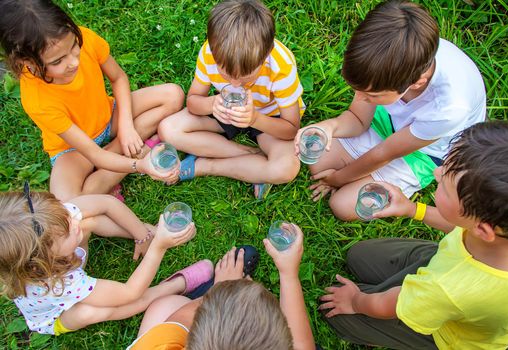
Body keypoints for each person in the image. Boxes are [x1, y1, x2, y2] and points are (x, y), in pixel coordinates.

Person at [318, 121, 508, 349]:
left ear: (482, 230)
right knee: (359, 256)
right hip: (443, 261)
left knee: (339, 314)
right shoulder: (504, 232)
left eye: (445, 185)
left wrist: (356, 302)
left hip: (445, 331)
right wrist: (412, 209)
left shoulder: (449, 288)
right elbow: (458, 226)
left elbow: (388, 306)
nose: (436, 173)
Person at [294, 0, 486, 220]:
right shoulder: (395, 57)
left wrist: (336, 179)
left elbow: (384, 153)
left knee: (343, 205)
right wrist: (329, 126)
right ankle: (353, 169)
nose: (361, 98)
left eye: (371, 96)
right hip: (388, 122)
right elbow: (358, 118)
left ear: (416, 83)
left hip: (422, 152)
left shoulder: (449, 107)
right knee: (317, 160)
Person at [0, 0, 184, 201]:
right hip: (73, 150)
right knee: (68, 202)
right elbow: (93, 154)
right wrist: (140, 166)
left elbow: (118, 78)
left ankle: (114, 159)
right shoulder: (36, 99)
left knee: (172, 95)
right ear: (26, 62)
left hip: (109, 116)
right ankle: (129, 152)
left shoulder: (84, 37)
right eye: (57, 61)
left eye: (74, 47)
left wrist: (125, 126)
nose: (73, 62)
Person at [0, 188, 214, 335]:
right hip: (57, 314)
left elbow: (106, 203)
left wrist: (142, 234)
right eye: (65, 233)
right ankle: (175, 285)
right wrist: (158, 247)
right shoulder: (59, 285)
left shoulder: (52, 219)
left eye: (65, 215)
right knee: (89, 312)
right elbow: (129, 292)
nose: (73, 221)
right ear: (46, 261)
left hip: (63, 261)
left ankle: (152, 235)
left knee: (88, 222)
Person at [159, 0, 304, 199]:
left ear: (266, 55)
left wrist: (254, 119)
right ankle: (250, 156)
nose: (236, 85)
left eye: (246, 77)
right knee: (168, 129)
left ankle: (206, 165)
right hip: (226, 109)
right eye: (226, 75)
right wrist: (212, 103)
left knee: (286, 168)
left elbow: (291, 128)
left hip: (269, 118)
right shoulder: (210, 53)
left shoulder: (281, 66)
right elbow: (193, 101)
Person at [127, 224, 316, 350]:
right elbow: (302, 345)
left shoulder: (162, 343)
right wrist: (289, 275)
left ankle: (183, 288)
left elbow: (176, 320)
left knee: (164, 307)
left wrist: (222, 286)